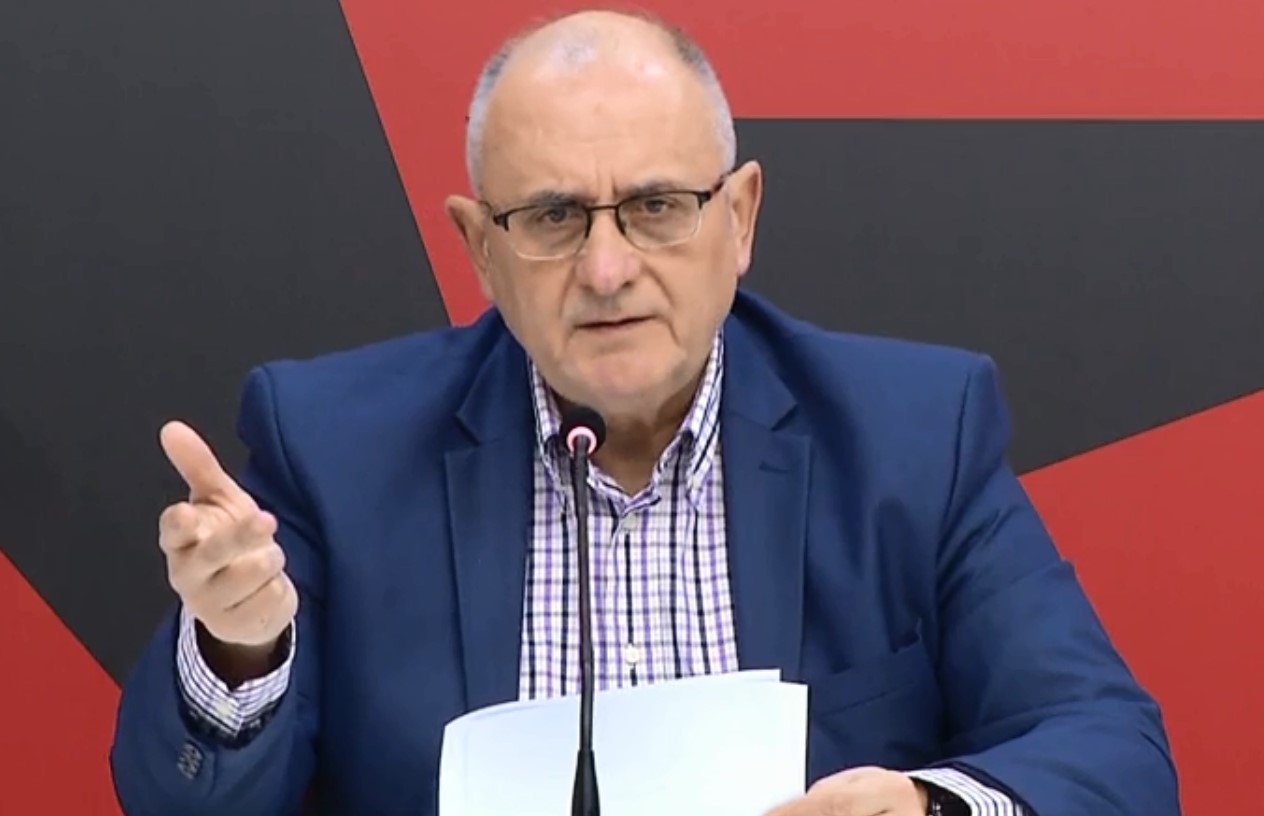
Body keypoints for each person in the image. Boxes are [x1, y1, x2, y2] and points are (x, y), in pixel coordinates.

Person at [109, 9, 1179, 816]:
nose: (608, 269)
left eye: (658, 207)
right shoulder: (333, 446)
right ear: (480, 247)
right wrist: (240, 649)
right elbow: (178, 802)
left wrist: (929, 806)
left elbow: (1111, 753)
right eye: (553, 218)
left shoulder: (911, 435)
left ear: (740, 217)